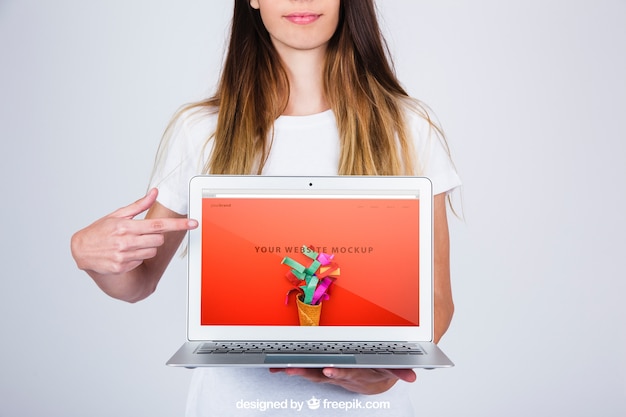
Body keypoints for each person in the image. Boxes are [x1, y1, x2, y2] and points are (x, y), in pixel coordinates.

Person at [71, 0, 461, 415]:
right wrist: (90, 256)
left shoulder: (409, 125)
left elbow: (437, 299)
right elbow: (138, 283)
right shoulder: (203, 131)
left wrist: (379, 372)